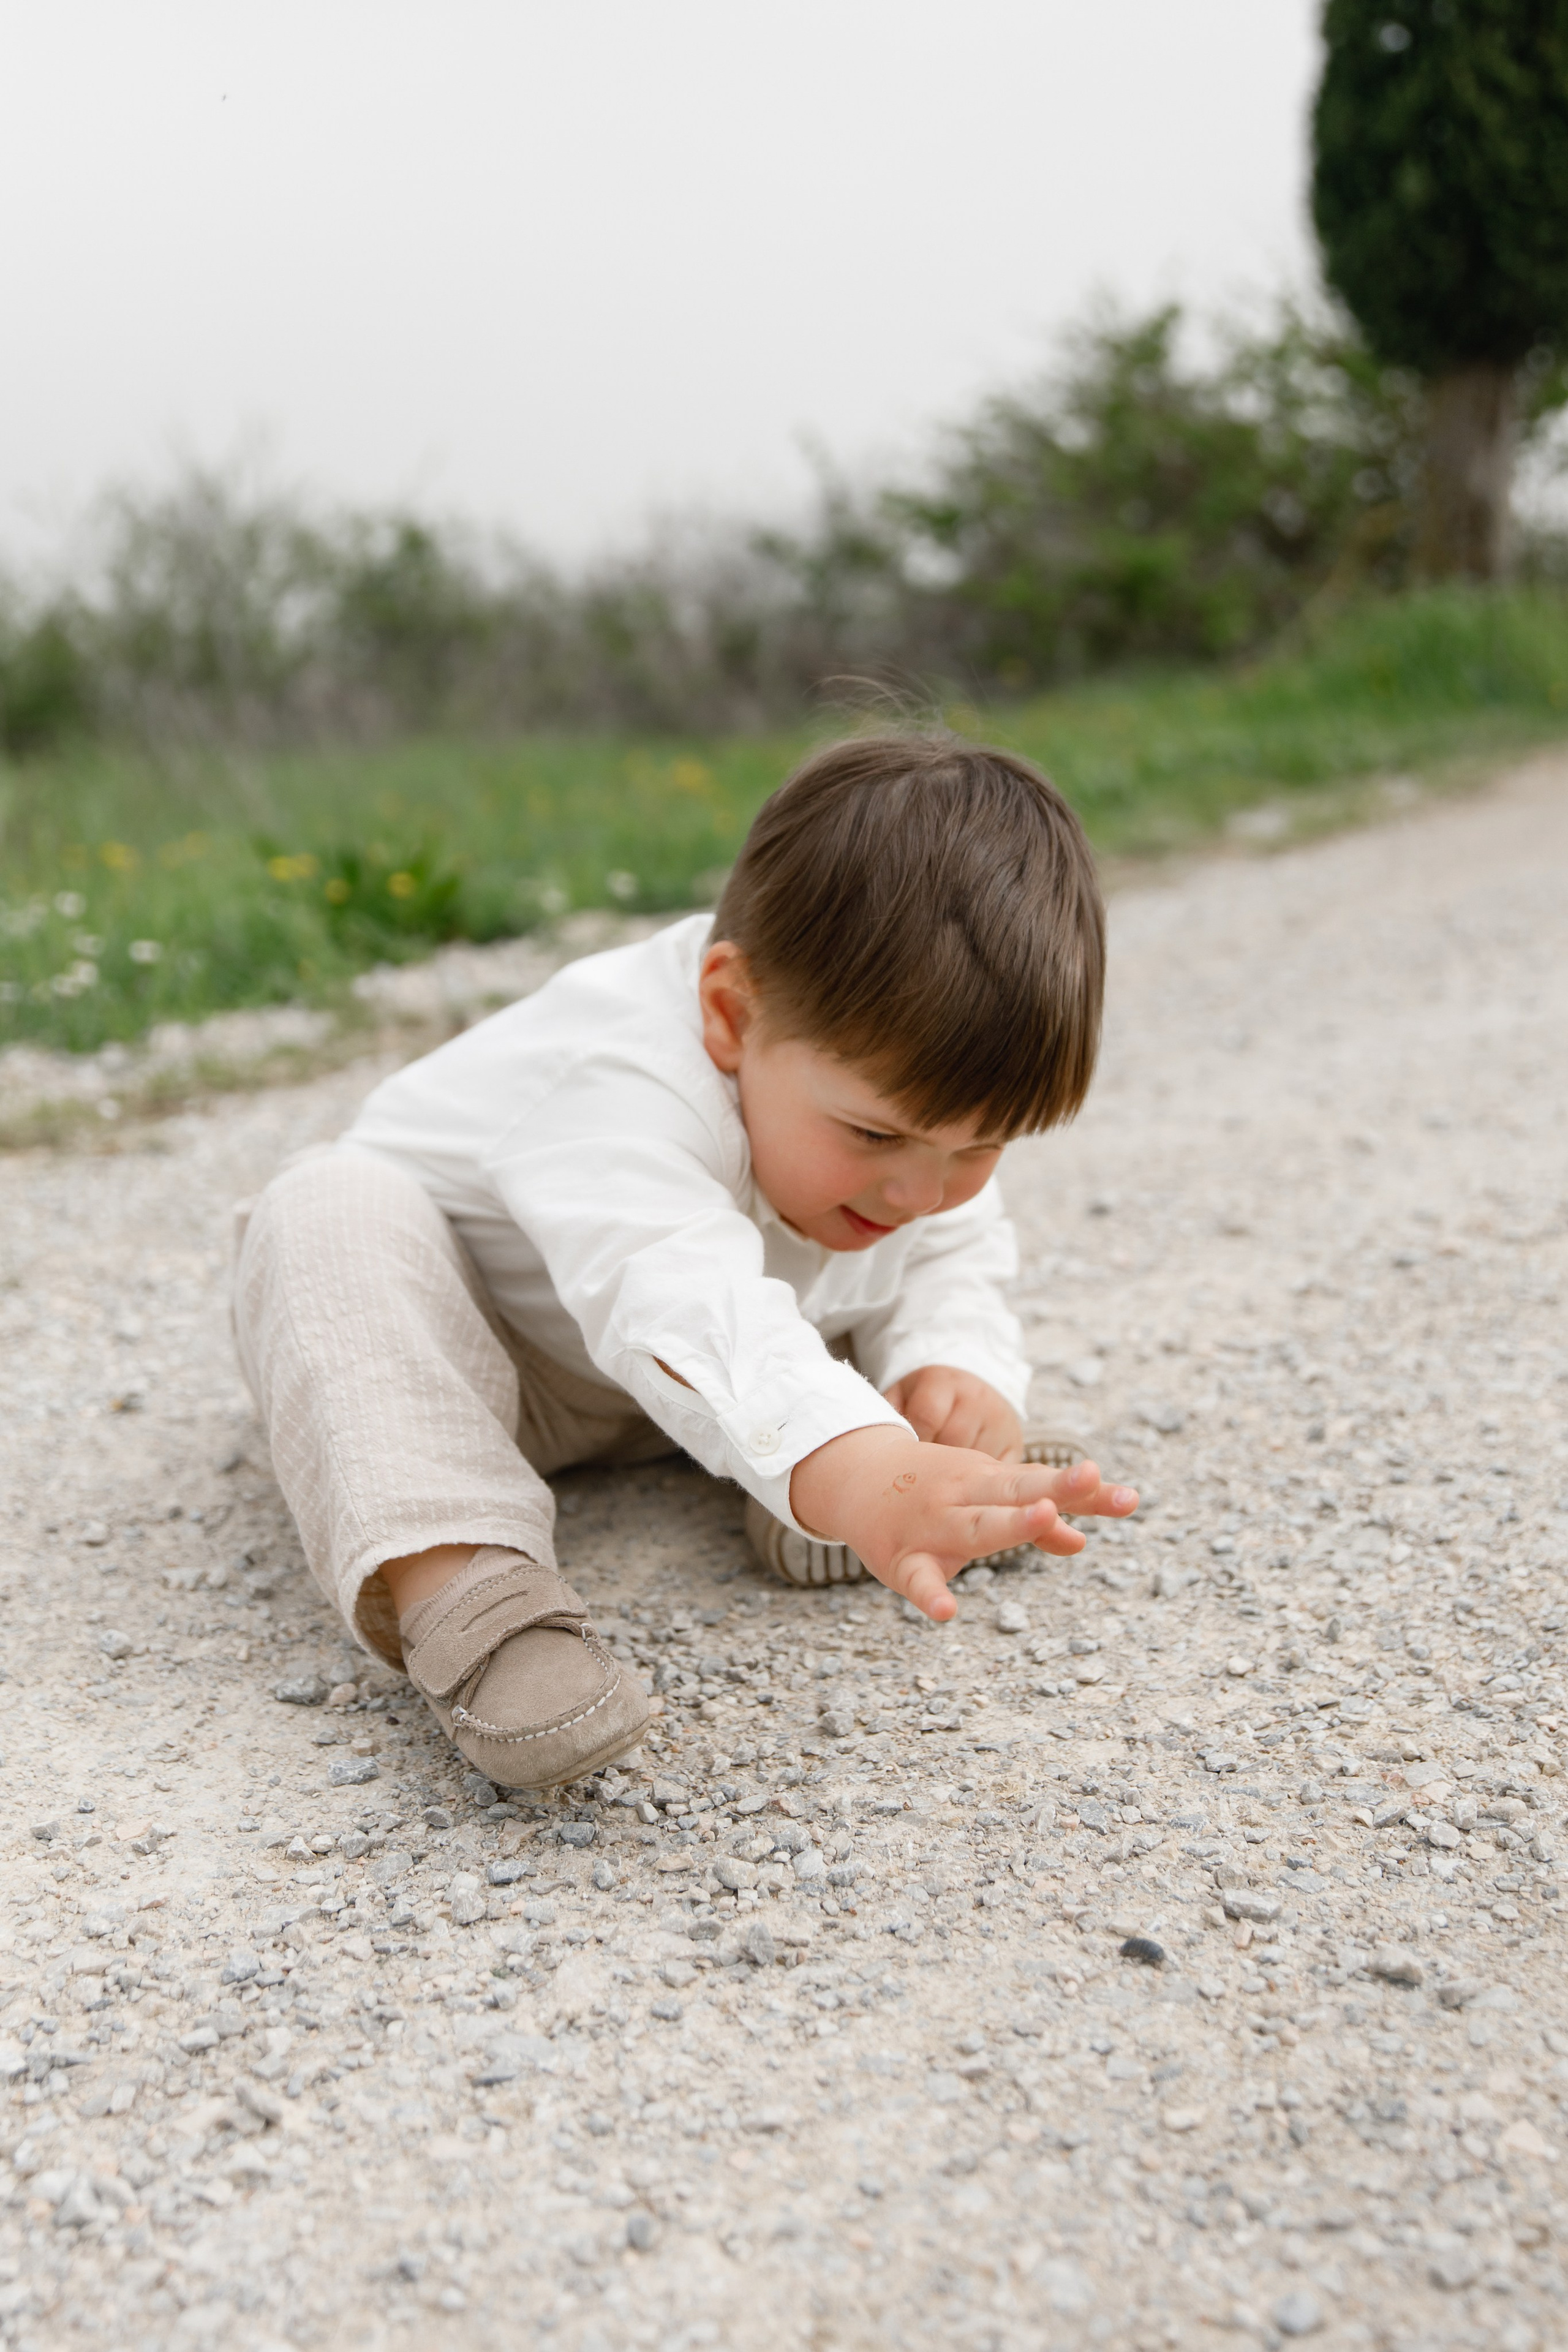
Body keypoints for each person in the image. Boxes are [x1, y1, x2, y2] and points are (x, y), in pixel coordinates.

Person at [232, 732, 1138, 1790]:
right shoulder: (622, 1072)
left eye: (981, 1146)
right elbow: (668, 1282)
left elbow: (949, 1241)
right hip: (490, 1368)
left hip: (674, 1373)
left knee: (881, 1292)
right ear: (728, 1014)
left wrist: (956, 1365)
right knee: (319, 1208)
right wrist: (851, 1461)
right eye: (881, 1137)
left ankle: (878, 1474)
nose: (921, 1189)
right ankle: (471, 1592)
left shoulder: (887, 1127)